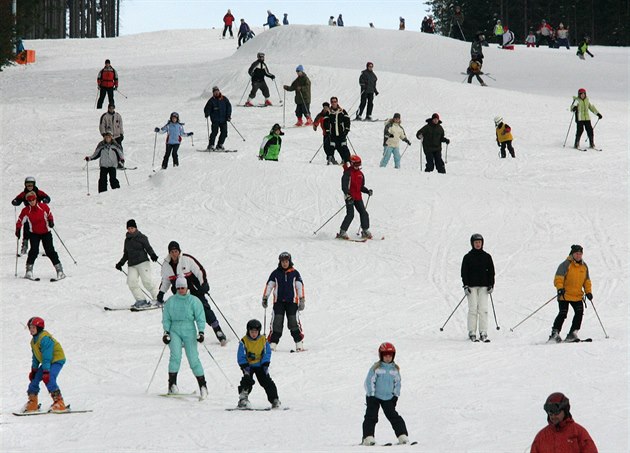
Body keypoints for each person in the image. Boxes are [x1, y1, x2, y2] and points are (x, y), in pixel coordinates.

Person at [158, 241, 227, 345]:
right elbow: (165, 280)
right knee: (181, 313)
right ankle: (181, 336)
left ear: (179, 251)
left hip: (195, 290)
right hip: (180, 292)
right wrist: (161, 293)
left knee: (204, 309)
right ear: (169, 253)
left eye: (176, 251)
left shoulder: (187, 259)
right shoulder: (166, 265)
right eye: (172, 251)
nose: (174, 254)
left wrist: (204, 284)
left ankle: (218, 330)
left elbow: (200, 270)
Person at [162, 276, 208, 398]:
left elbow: (200, 317)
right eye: (179, 288)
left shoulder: (194, 301)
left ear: (187, 287)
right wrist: (166, 332)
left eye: (183, 287)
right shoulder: (171, 301)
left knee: (193, 358)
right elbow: (166, 318)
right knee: (175, 357)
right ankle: (172, 385)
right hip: (175, 330)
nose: (181, 290)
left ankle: (203, 386)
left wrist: (201, 332)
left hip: (189, 330)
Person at [361, 342, 409, 446]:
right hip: (374, 397)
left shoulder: (395, 369)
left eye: (390, 355)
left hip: (388, 398)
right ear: (381, 355)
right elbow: (369, 381)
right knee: (371, 416)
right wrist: (371, 395)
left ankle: (402, 436)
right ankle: (368, 437)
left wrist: (395, 396)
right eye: (385, 355)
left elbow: (398, 383)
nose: (388, 358)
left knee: (394, 417)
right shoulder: (376, 368)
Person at [262, 252, 305, 351]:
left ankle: (299, 342)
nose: (284, 264)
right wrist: (265, 297)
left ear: (289, 261)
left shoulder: (295, 273)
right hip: (279, 302)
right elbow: (269, 286)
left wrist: (302, 299)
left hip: (292, 302)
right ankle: (273, 343)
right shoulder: (275, 273)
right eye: (282, 262)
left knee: (293, 322)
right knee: (277, 321)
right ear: (280, 262)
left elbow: (299, 287)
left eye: (286, 261)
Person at [16, 192, 65, 281]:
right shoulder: (26, 210)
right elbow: (20, 220)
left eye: (33, 199)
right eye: (29, 200)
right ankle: (29, 271)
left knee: (50, 251)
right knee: (34, 251)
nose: (32, 202)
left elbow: (49, 214)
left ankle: (60, 270)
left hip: (46, 232)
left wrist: (51, 221)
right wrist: (18, 229)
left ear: (36, 199)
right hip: (34, 233)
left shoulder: (43, 207)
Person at [22, 317, 67, 413]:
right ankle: (33, 403)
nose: (31, 330)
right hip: (47, 362)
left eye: (33, 327)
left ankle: (59, 403)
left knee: (49, 378)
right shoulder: (33, 341)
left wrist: (46, 371)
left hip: (57, 360)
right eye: (30, 327)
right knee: (34, 380)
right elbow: (35, 357)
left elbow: (47, 356)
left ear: (39, 328)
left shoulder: (45, 339)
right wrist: (34, 370)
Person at [549, 245, 593, 343]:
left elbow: (587, 281)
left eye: (580, 254)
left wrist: (588, 292)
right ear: (572, 254)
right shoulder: (565, 264)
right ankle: (554, 333)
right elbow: (558, 278)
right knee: (563, 313)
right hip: (565, 294)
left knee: (579, 313)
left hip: (577, 295)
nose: (578, 256)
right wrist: (560, 288)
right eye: (577, 254)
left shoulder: (584, 266)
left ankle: (573, 333)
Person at [531, 393, 598, 452]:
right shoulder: (541, 438)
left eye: (556, 413)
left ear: (565, 411)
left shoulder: (578, 433)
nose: (553, 416)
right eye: (550, 414)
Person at [115, 219, 160, 309]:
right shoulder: (127, 240)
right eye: (128, 228)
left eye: (132, 228)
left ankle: (158, 298)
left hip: (143, 262)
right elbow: (126, 254)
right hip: (132, 264)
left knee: (147, 281)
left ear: (135, 228)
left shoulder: (142, 237)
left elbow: (148, 247)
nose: (130, 230)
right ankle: (141, 300)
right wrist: (120, 263)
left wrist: (153, 255)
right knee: (131, 282)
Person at [237, 319, 281, 409]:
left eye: (256, 332)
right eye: (252, 332)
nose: (254, 334)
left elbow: (267, 353)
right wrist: (245, 366)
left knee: (267, 381)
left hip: (260, 365)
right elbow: (241, 355)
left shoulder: (263, 340)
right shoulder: (244, 341)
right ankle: (243, 399)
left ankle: (274, 399)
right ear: (248, 331)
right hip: (248, 366)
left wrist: (265, 364)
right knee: (247, 381)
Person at [461, 234, 495, 342]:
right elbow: (464, 272)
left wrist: (491, 284)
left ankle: (483, 331)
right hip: (471, 287)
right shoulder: (467, 257)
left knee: (483, 309)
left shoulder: (487, 257)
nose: (478, 244)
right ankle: (472, 331)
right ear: (472, 244)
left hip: (484, 287)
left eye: (479, 242)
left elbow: (491, 272)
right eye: (476, 242)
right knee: (473, 309)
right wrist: (466, 285)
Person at [12, 176, 51, 256]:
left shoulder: (38, 192)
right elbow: (18, 199)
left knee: (43, 229)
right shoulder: (24, 193)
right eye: (27, 185)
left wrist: (45, 200)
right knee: (26, 228)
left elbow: (47, 197)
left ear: (34, 185)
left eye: (31, 185)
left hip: (38, 213)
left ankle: (47, 248)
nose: (29, 187)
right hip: (28, 213)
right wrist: (15, 201)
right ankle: (25, 246)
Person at [338, 155, 372, 239]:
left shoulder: (360, 174)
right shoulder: (347, 173)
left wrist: (367, 191)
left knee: (364, 213)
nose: (358, 167)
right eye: (356, 165)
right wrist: (348, 196)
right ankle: (342, 231)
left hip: (358, 197)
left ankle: (365, 230)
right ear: (352, 164)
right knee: (350, 214)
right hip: (349, 197)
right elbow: (344, 187)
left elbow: (361, 187)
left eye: (359, 165)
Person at [203, 86, 232, 151]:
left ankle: (220, 145)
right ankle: (211, 145)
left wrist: (228, 116)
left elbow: (229, 107)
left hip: (223, 120)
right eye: (215, 92)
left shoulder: (224, 99)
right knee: (214, 133)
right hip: (215, 120)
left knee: (224, 133)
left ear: (219, 91)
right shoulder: (211, 101)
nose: (216, 93)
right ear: (213, 93)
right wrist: (207, 113)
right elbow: (207, 108)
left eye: (217, 91)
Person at [324, 96, 351, 163]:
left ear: (337, 102)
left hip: (341, 132)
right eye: (332, 102)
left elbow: (347, 120)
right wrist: (327, 130)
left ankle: (347, 159)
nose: (334, 103)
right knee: (331, 145)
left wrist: (347, 129)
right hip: (333, 132)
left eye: (335, 102)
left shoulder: (342, 111)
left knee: (343, 145)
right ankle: (330, 158)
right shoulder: (329, 112)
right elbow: (326, 122)